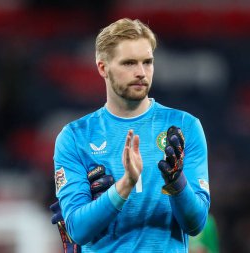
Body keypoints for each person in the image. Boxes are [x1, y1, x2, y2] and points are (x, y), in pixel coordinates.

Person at [53, 18, 210, 252]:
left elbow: (196, 224)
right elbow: (77, 229)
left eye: (147, 62)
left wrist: (177, 182)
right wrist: (125, 185)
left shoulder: (184, 127)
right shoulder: (75, 137)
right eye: (129, 63)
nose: (141, 72)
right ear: (102, 67)